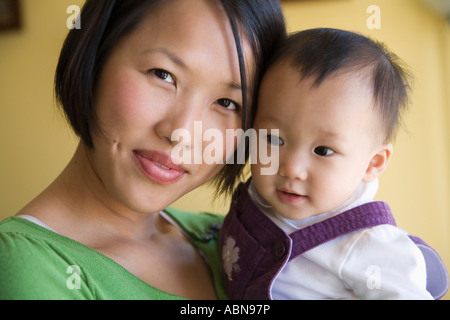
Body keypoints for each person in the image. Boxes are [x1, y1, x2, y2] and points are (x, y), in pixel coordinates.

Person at [0, 0, 286, 300]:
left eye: (228, 103)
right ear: (96, 54)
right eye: (162, 75)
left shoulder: (235, 245)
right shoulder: (27, 266)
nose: (182, 133)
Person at [220, 28, 448, 300]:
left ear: (371, 164)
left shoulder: (371, 246)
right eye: (273, 139)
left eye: (323, 150)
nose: (291, 168)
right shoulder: (261, 193)